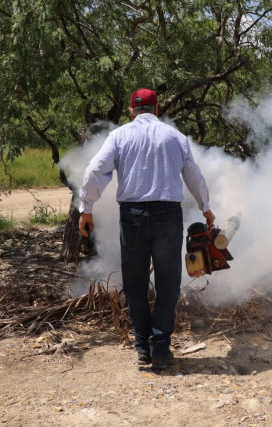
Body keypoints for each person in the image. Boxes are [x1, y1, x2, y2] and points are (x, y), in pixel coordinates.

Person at [77, 88, 215, 369]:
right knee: (168, 283)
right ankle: (161, 348)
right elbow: (194, 177)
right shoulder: (175, 137)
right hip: (167, 216)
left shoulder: (119, 135)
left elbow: (95, 171)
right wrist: (206, 208)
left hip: (133, 216)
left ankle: (142, 347)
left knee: (135, 283)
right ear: (157, 108)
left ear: (131, 110)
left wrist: (86, 207)